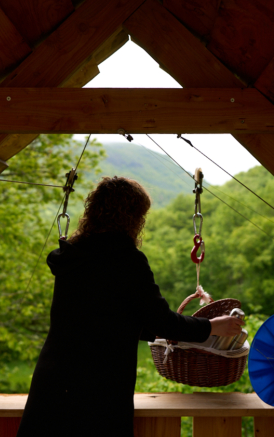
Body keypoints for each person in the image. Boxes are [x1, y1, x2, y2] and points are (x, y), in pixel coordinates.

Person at [17, 176, 243, 437]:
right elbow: (161, 321)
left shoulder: (72, 255)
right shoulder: (126, 260)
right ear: (132, 217)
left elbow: (103, 318)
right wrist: (212, 327)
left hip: (53, 381)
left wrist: (173, 331)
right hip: (97, 389)